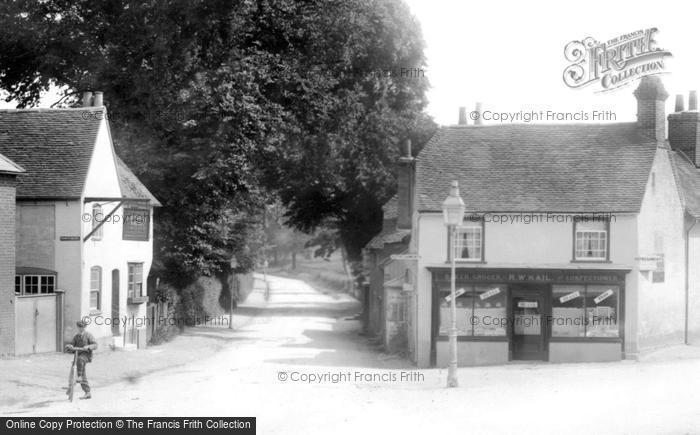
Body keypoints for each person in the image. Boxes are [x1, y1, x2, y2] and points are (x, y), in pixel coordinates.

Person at [65, 320, 98, 400]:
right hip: (78, 354)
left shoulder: (88, 335)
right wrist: (69, 346)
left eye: (82, 327)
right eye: (79, 327)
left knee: (80, 362)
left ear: (85, 327)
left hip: (86, 355)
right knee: (73, 370)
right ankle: (73, 387)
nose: (81, 329)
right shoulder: (76, 336)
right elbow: (72, 344)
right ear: (77, 327)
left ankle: (79, 377)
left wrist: (88, 347)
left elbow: (95, 345)